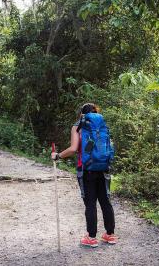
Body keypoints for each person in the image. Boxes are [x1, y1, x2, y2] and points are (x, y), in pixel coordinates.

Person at [51, 103, 117, 248]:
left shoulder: (78, 126)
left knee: (90, 203)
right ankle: (110, 235)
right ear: (96, 112)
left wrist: (58, 156)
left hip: (86, 169)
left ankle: (91, 238)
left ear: (82, 113)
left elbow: (74, 149)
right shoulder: (102, 126)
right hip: (104, 167)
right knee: (105, 201)